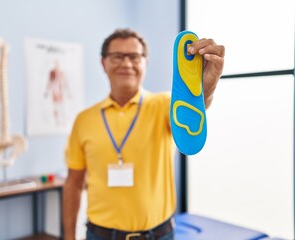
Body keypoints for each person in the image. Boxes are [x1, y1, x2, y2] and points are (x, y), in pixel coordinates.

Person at [63, 28, 225, 240]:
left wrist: (207, 86)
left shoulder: (165, 105)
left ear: (145, 62)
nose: (127, 63)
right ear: (103, 63)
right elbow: (73, 183)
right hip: (99, 235)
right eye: (117, 56)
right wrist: (68, 236)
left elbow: (192, 114)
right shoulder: (84, 120)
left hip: (159, 234)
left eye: (134, 56)